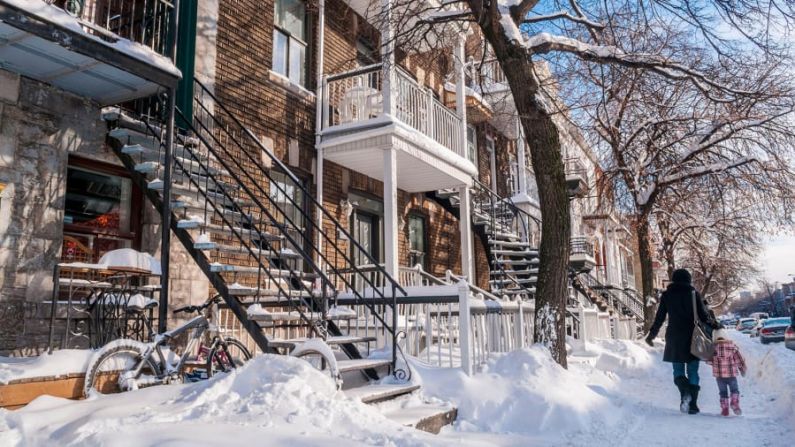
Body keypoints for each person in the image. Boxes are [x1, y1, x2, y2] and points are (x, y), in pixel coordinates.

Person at [645, 268, 718, 415]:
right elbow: (704, 316)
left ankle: (685, 394)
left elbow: (659, 317)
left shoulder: (667, 295)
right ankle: (693, 405)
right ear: (688, 279)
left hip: (674, 337)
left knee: (677, 370)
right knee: (693, 371)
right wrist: (715, 325)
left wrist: (651, 335)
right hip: (693, 337)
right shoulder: (693, 294)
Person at [707, 328, 747, 416]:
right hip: (731, 374)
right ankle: (734, 403)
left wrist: (714, 361)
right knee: (734, 390)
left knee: (723, 392)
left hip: (719, 376)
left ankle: (725, 409)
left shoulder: (712, 349)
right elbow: (739, 359)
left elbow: (709, 361)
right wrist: (742, 369)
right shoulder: (732, 347)